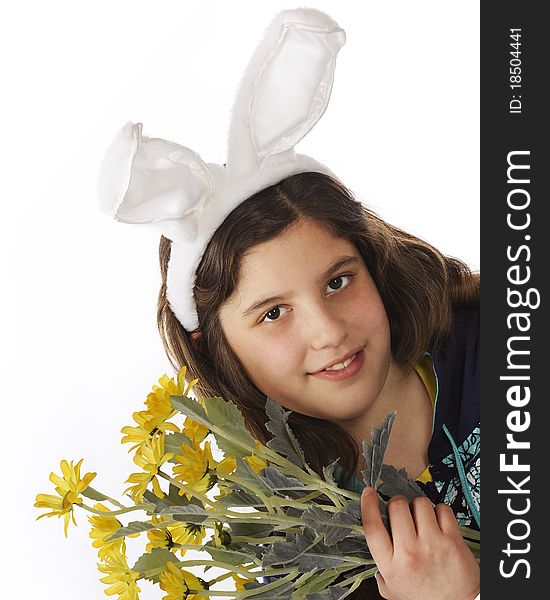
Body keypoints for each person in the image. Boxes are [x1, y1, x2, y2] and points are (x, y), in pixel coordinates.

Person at [98, 9, 480, 600]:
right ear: (214, 345)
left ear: (372, 263)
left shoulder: (502, 343)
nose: (328, 332)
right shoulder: (293, 559)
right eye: (273, 313)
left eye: (337, 282)